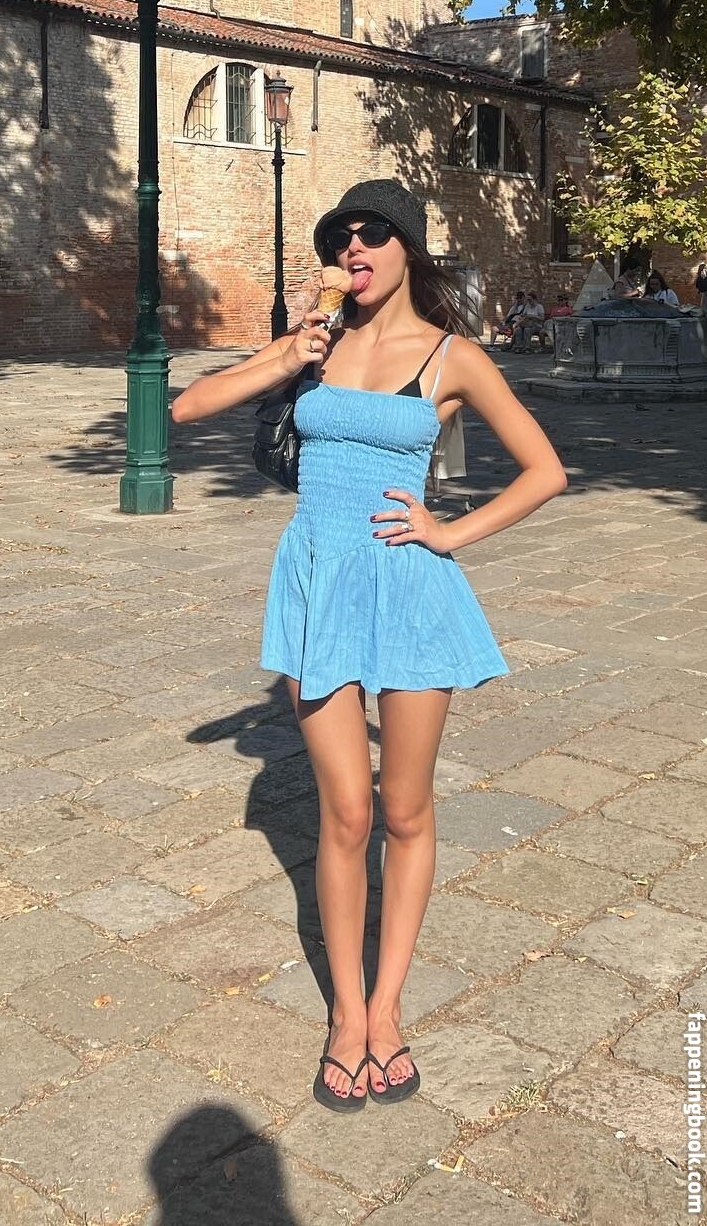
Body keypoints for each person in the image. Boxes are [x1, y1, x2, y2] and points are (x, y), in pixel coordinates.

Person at [171, 179, 566, 1111]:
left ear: (408, 248)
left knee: (406, 810)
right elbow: (186, 410)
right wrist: (286, 352)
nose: (354, 248)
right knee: (346, 813)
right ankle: (346, 1015)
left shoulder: (452, 355)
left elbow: (545, 470)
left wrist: (448, 533)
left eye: (373, 233)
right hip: (317, 580)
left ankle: (387, 1009)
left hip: (410, 588)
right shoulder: (317, 344)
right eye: (341, 236)